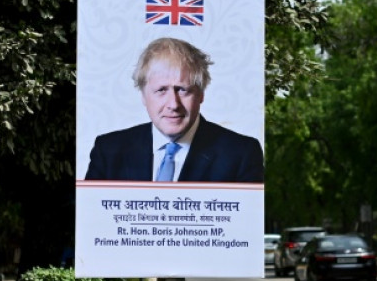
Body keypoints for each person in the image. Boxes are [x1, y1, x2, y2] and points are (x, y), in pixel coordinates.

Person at [84, 37, 264, 182]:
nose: (173, 104)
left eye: (183, 90)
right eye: (161, 90)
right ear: (144, 96)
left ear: (201, 95)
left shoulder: (241, 155)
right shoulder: (108, 151)